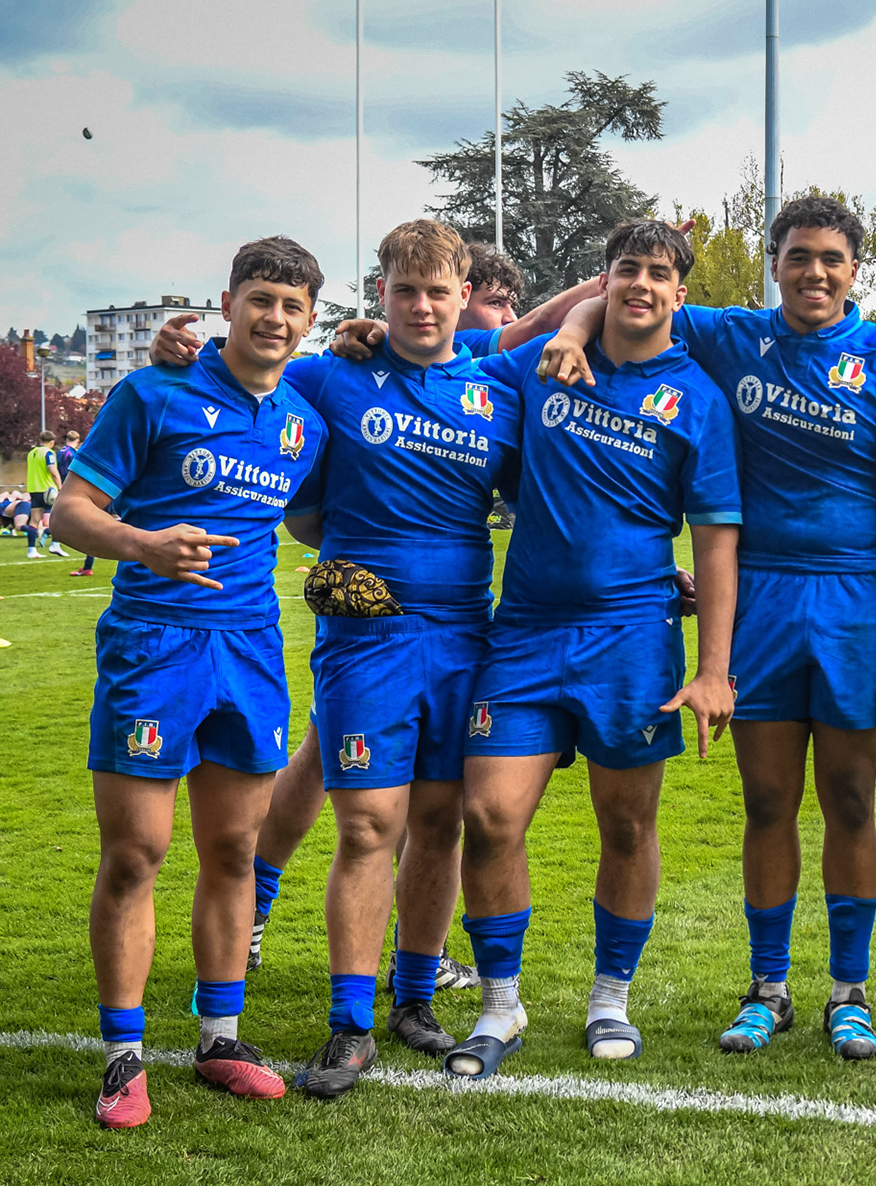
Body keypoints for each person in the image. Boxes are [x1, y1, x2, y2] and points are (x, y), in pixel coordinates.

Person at [539, 194, 876, 1060]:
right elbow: (622, 297)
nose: (814, 273)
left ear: (855, 270)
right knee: (767, 801)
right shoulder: (731, 335)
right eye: (798, 256)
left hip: (855, 606)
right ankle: (768, 988)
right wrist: (574, 326)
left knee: (849, 800)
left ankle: (850, 992)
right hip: (759, 600)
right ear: (776, 264)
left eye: (831, 258)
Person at [149, 241, 590, 980]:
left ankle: (404, 959)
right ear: (385, 291)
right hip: (364, 628)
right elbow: (251, 377)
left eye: (440, 292)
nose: (502, 316)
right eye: (406, 291)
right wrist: (179, 354)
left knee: (391, 792)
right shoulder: (340, 370)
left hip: (453, 627)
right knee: (361, 805)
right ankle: (263, 913)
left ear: (458, 297)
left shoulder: (489, 375)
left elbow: (542, 346)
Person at [445, 218, 740, 1078]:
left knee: (628, 823)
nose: (641, 283)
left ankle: (610, 998)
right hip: (525, 633)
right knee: (489, 818)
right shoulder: (542, 366)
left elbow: (717, 541)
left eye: (658, 272)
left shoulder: (698, 400)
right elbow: (445, 371)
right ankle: (500, 1004)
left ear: (679, 292)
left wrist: (713, 670)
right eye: (626, 269)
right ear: (602, 280)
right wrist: (362, 341)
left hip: (633, 639)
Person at [50, 236, 331, 1128]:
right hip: (153, 646)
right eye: (260, 299)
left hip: (250, 649)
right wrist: (144, 545)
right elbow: (69, 513)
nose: (274, 318)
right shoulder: (152, 393)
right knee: (137, 852)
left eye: (292, 306)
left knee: (236, 851)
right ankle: (122, 1056)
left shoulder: (305, 421)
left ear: (310, 320)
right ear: (227, 302)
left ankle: (220, 1039)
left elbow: (316, 514)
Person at [59, 430, 99, 576]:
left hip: (77, 491)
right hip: (95, 491)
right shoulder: (78, 453)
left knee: (89, 527)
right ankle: (88, 566)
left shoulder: (61, 452)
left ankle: (50, 537)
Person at [25, 430, 68, 558]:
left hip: (33, 489)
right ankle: (55, 544)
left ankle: (31, 550)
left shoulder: (31, 453)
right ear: (52, 442)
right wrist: (60, 487)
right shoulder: (48, 453)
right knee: (60, 517)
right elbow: (52, 470)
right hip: (47, 490)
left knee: (34, 520)